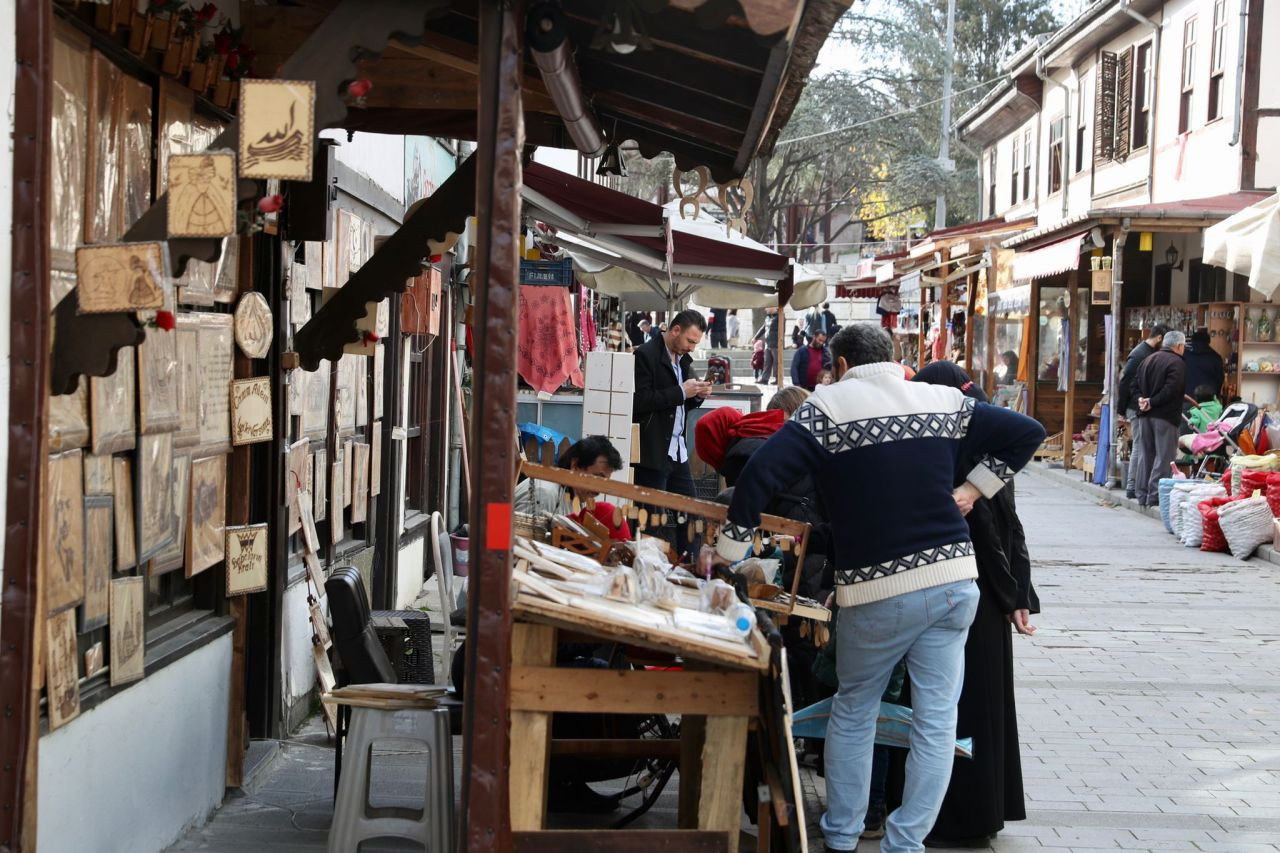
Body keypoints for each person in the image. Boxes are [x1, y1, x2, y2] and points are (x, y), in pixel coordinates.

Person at [717, 325, 1045, 853]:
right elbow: (1028, 432)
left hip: (877, 589)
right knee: (936, 723)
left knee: (855, 710)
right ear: (895, 360)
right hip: (955, 583)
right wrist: (972, 489)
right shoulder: (942, 400)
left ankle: (843, 837)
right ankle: (906, 843)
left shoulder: (826, 407)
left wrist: (729, 553)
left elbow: (759, 474)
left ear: (841, 365)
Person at [912, 362, 1038, 848]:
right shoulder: (993, 443)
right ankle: (985, 809)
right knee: (982, 705)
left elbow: (988, 531)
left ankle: (957, 815)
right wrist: (1019, 594)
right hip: (990, 596)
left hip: (967, 588)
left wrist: (1013, 595)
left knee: (955, 705)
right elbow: (1014, 526)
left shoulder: (952, 446)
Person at [633, 309, 712, 553]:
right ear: (675, 330)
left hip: (678, 452)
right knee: (650, 519)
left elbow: (681, 404)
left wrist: (697, 395)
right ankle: (645, 569)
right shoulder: (645, 355)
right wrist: (681, 392)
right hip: (653, 450)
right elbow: (639, 402)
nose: (691, 347)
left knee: (691, 515)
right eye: (690, 341)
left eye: (696, 343)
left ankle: (689, 566)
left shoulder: (684, 360)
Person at [513, 436, 632, 540]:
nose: (599, 490)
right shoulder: (544, 493)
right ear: (575, 465)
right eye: (597, 478)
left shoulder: (576, 499)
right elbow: (517, 547)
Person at [1131, 330, 1187, 507]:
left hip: (1144, 415)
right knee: (1164, 456)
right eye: (1184, 346)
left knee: (1146, 455)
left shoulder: (1148, 359)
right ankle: (1155, 496)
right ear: (1178, 346)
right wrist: (1152, 401)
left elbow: (1134, 385)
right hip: (1165, 416)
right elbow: (1172, 390)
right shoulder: (1177, 362)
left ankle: (1141, 494)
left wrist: (1141, 399)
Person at [1117, 325, 1168, 498]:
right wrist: (1121, 408)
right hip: (1135, 405)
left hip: (1138, 405)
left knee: (1142, 444)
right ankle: (1132, 485)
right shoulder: (1140, 354)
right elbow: (1125, 381)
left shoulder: (1145, 352)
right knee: (1139, 445)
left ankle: (1136, 484)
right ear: (1160, 338)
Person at [1179, 385, 1224, 454]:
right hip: (1217, 438)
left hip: (1203, 438)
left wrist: (1190, 422)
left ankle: (1197, 456)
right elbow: (1217, 401)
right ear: (1214, 397)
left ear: (1196, 398)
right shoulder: (1218, 407)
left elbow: (1194, 423)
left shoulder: (1196, 411)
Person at [1182, 329, 1224, 400]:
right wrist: (1216, 394)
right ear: (1208, 341)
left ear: (1192, 340)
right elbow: (1220, 379)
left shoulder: (1183, 354)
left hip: (1187, 397)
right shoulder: (1215, 357)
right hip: (1208, 399)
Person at [754, 307, 780, 385]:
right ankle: (765, 379)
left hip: (776, 343)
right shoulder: (767, 318)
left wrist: (780, 342)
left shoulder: (780, 317)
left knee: (776, 362)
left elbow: (783, 330)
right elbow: (763, 328)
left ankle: (778, 379)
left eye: (767, 308)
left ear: (773, 307)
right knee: (767, 362)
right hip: (768, 343)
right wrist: (755, 337)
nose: (765, 309)